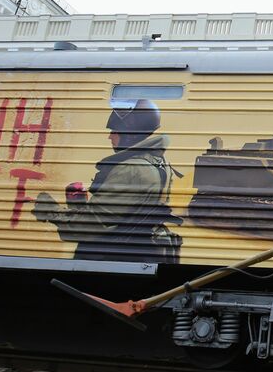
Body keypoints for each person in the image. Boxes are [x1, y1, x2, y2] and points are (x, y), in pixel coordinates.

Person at [33, 99, 182, 264]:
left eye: (114, 131)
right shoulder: (160, 163)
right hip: (136, 258)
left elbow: (90, 227)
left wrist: (51, 209)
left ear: (129, 135)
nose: (109, 136)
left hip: (112, 261)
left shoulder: (131, 170)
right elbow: (125, 215)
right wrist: (81, 206)